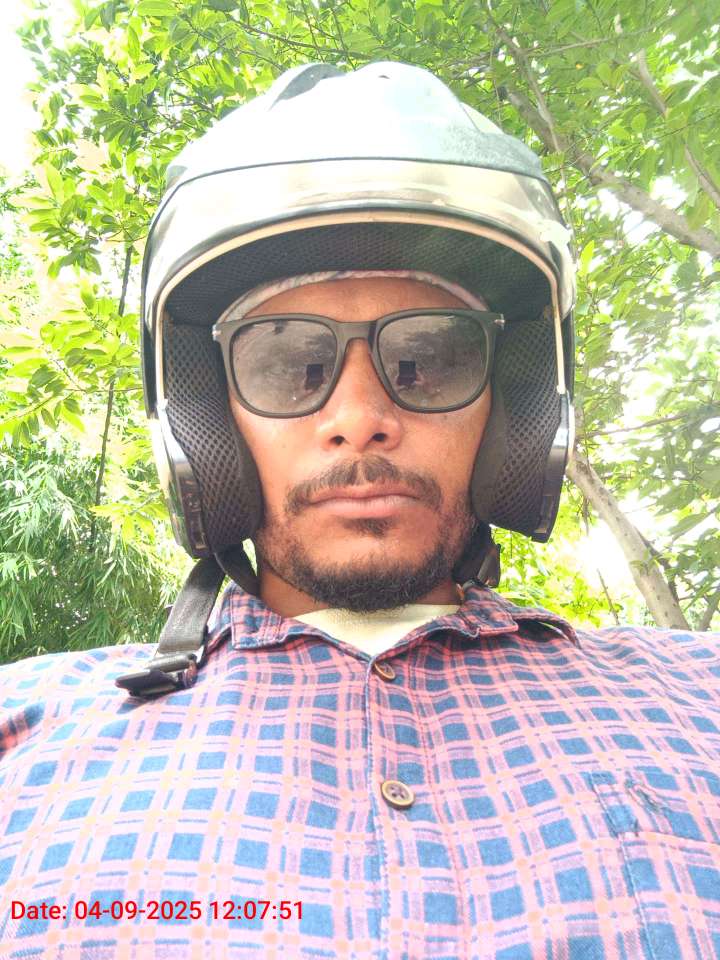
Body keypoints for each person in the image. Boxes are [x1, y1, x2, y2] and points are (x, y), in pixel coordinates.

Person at [1, 61, 718, 960]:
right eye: (287, 363)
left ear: (510, 407)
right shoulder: (26, 729)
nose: (360, 417)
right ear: (207, 418)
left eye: (429, 359)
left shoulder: (701, 696)